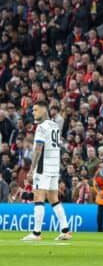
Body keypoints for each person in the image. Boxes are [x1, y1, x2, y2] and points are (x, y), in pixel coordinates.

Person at [22, 100, 72, 241]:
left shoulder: (42, 127)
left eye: (36, 110)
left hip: (43, 167)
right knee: (53, 199)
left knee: (38, 197)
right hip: (54, 167)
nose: (33, 112)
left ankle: (36, 233)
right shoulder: (54, 125)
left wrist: (32, 169)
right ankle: (65, 230)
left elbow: (38, 148)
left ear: (44, 110)